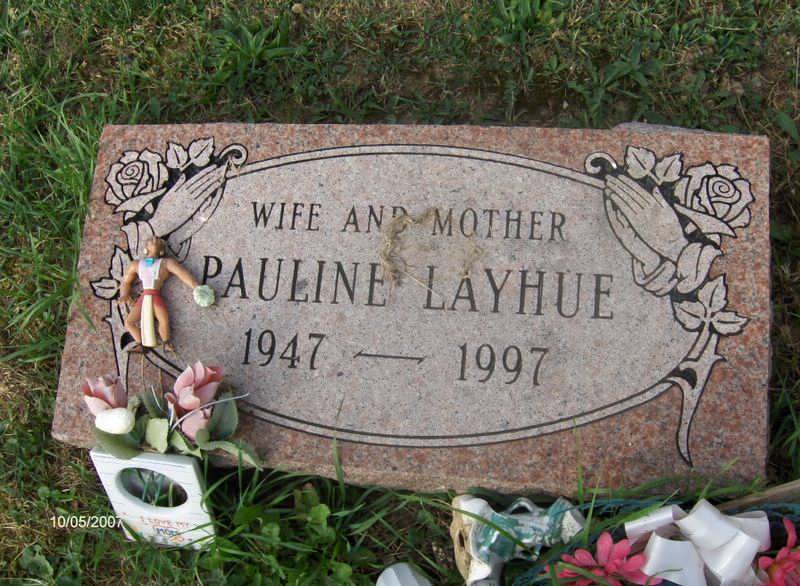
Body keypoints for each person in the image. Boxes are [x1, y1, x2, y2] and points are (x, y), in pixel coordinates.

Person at [118, 237, 206, 352]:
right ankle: (141, 344)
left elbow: (182, 274)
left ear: (162, 251)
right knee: (129, 322)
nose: (155, 238)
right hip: (144, 297)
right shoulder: (136, 264)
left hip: (155, 295)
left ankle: (166, 342)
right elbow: (125, 282)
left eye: (158, 240)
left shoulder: (166, 263)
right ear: (145, 248)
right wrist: (124, 294)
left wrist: (197, 287)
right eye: (151, 239)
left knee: (163, 320)